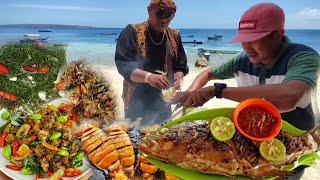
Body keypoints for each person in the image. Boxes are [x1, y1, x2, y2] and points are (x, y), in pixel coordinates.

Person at [183, 2, 320, 131]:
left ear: (278, 35)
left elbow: (288, 97)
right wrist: (191, 92)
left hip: (297, 136)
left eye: (253, 40)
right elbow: (208, 74)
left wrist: (218, 91)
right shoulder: (242, 60)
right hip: (254, 131)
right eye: (243, 40)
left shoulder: (303, 57)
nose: (247, 47)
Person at [115, 0, 188, 125]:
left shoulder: (174, 35)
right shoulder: (132, 31)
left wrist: (178, 77)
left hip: (164, 103)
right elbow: (123, 63)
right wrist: (148, 77)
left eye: (170, 15)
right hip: (136, 102)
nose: (164, 20)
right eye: (160, 13)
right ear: (149, 11)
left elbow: (180, 65)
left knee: (163, 139)